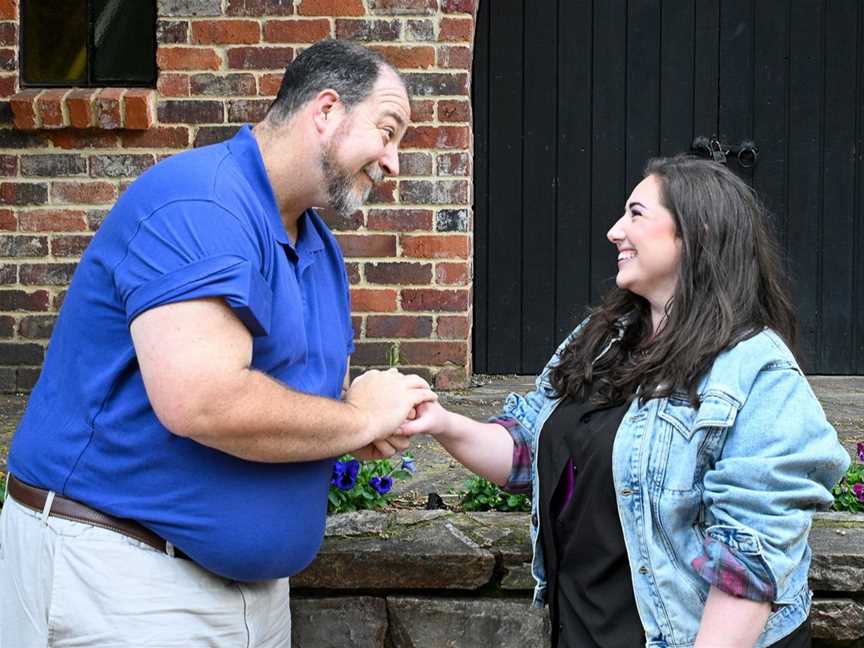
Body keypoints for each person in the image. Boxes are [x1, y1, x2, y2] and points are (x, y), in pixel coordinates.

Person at [0, 40, 434, 647]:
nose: (393, 163)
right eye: (387, 133)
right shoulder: (201, 204)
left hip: (245, 598)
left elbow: (282, 391)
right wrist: (356, 418)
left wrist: (356, 422)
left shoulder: (316, 243)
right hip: (122, 580)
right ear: (327, 109)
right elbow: (204, 400)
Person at [401, 156, 850, 648]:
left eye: (636, 214)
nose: (615, 231)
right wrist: (439, 422)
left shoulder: (756, 369)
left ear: (696, 230)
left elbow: (749, 564)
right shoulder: (602, 339)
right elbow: (528, 451)